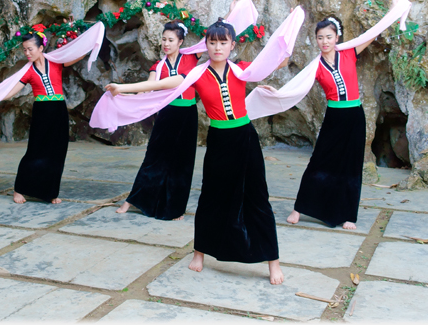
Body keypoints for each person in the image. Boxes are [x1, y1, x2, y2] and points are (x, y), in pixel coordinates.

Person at [105, 18, 294, 285]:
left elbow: (277, 62)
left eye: (223, 42)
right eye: (212, 42)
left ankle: (272, 262)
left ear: (232, 45)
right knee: (211, 196)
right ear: (205, 45)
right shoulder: (196, 74)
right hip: (218, 140)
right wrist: (121, 88)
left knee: (257, 197)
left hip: (245, 138)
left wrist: (288, 36)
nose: (217, 47)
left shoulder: (241, 70)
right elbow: (158, 84)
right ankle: (199, 253)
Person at [262, 16, 369, 230]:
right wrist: (278, 93)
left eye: (329, 37)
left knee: (351, 166)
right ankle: (299, 208)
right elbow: (297, 86)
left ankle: (348, 214)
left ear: (337, 37)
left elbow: (371, 34)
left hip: (355, 117)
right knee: (319, 161)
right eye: (320, 38)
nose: (325, 41)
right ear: (316, 40)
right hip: (334, 118)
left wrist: (396, 10)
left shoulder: (349, 53)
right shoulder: (316, 66)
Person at [115, 21, 199, 220]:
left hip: (188, 116)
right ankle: (133, 200)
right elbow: (148, 87)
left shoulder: (192, 57)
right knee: (154, 158)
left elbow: (215, 39)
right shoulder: (158, 66)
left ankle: (175, 207)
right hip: (167, 114)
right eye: (164, 39)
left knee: (182, 163)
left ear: (181, 42)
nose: (166, 44)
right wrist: (125, 96)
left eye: (171, 40)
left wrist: (230, 14)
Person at [1, 33, 86, 204]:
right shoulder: (28, 71)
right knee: (35, 151)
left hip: (59, 110)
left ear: (40, 48)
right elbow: (11, 91)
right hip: (42, 111)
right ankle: (19, 190)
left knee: (57, 152)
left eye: (30, 49)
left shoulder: (56, 61)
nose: (27, 53)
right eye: (24, 50)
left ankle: (50, 193)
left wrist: (93, 40)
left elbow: (77, 54)